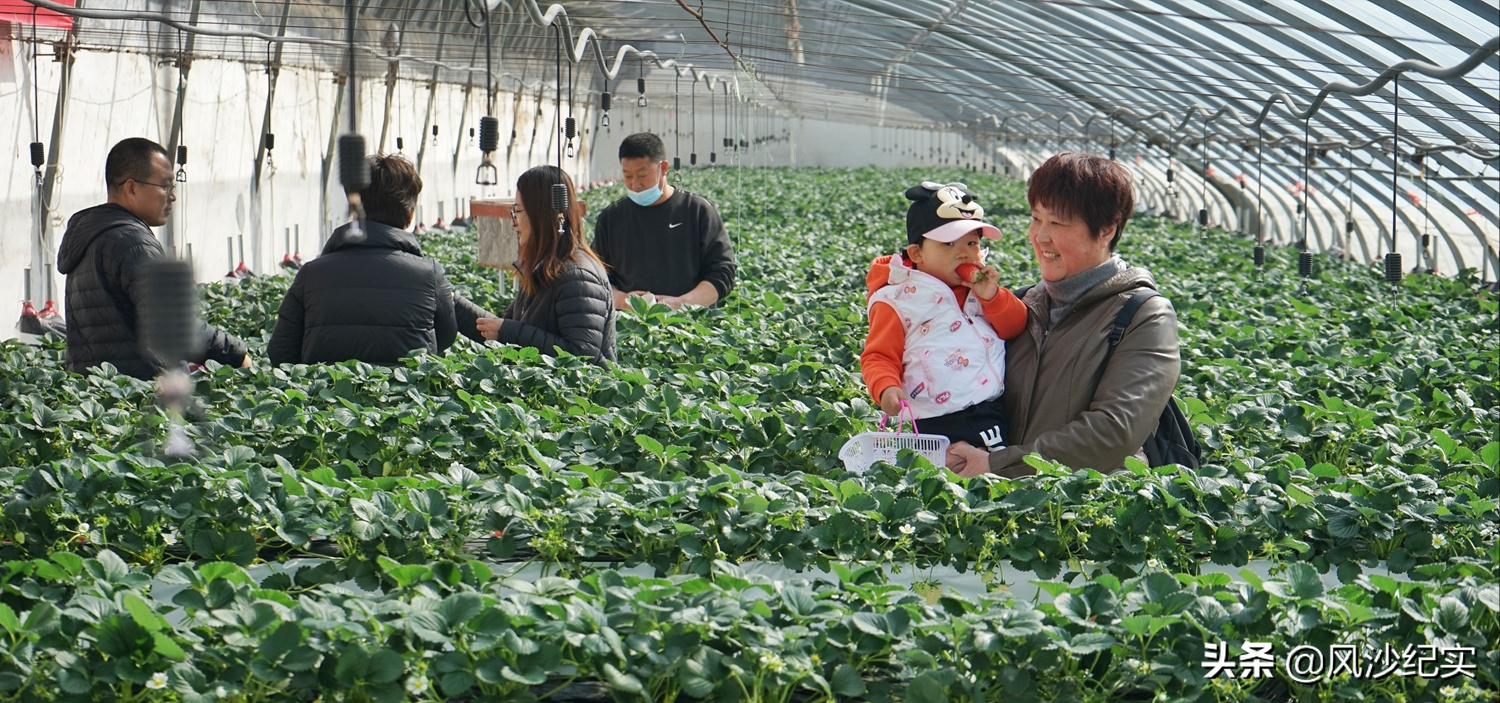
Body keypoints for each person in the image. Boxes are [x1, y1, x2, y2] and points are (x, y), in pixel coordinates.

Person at [946, 152, 1181, 478]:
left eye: (1057, 222)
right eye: (1036, 218)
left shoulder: (1143, 316)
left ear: (1107, 230)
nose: (1040, 236)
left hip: (1084, 514)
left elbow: (1114, 432)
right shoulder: (1021, 304)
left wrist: (997, 466)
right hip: (1000, 513)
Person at [268, 153, 490, 366]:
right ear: (411, 215)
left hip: (330, 402)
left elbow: (281, 351)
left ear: (353, 210)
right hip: (409, 400)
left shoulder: (312, 274)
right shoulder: (429, 275)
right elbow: (445, 336)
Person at [56, 137, 251, 380]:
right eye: (166, 186)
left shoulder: (93, 235)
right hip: (141, 399)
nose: (172, 196)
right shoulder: (132, 242)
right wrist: (235, 353)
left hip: (99, 392)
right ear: (132, 188)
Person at [860, 182, 1028, 450]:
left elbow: (1015, 326)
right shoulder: (895, 300)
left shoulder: (980, 289)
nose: (964, 252)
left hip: (990, 409)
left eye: (972, 242)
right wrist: (886, 387)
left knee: (993, 479)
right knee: (941, 480)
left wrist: (994, 297)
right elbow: (879, 355)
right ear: (917, 253)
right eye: (949, 243)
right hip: (935, 418)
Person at [474, 166, 616, 365]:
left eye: (517, 211)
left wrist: (510, 332)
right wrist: (450, 301)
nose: (513, 223)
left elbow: (582, 355)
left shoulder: (578, 276)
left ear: (540, 214)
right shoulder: (543, 268)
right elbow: (501, 325)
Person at [591, 132, 737, 310]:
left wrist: (682, 303)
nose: (635, 184)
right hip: (629, 328)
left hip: (691, 328)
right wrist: (623, 300)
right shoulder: (611, 218)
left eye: (643, 175)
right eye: (628, 176)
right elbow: (596, 276)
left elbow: (723, 272)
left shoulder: (697, 211)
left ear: (664, 168)